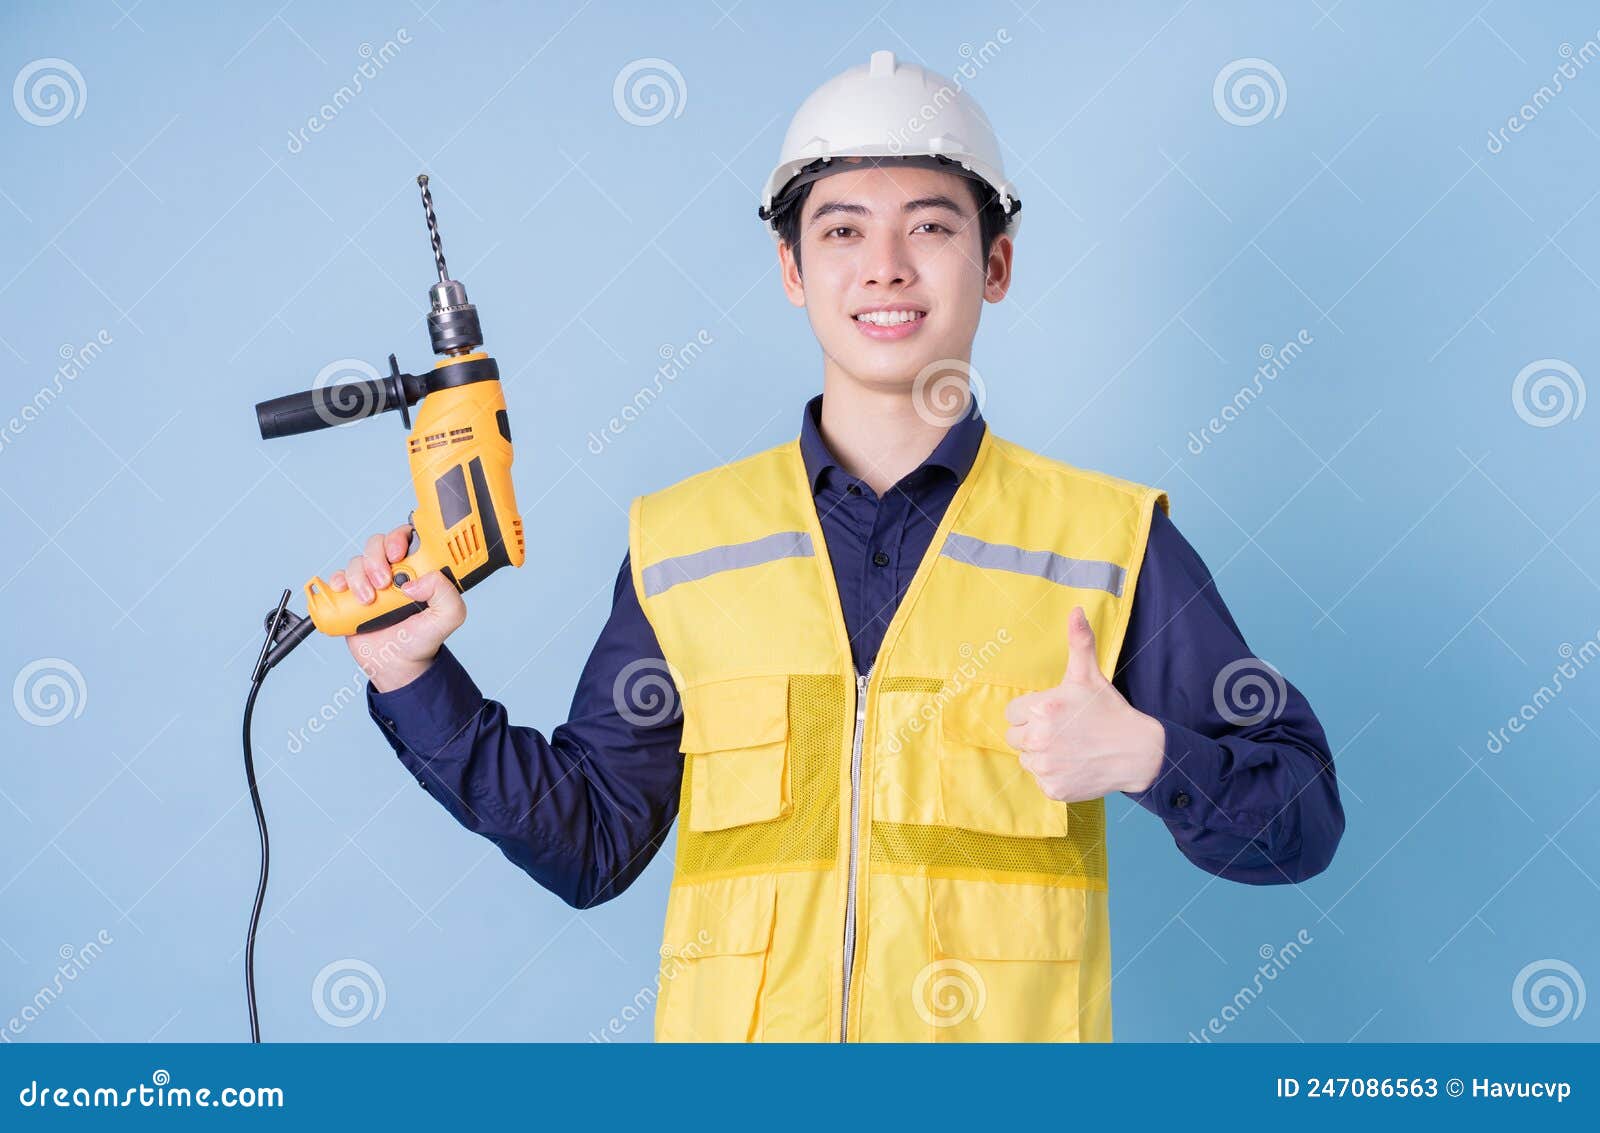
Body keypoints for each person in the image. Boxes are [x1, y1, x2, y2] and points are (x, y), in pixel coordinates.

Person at [327, 50, 1344, 1042]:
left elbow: (1300, 820)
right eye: (842, 229)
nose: (885, 266)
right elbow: (590, 843)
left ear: (995, 263)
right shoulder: (684, 546)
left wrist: (1146, 752)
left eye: (931, 227)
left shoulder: (1107, 541)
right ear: (790, 268)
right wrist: (411, 674)